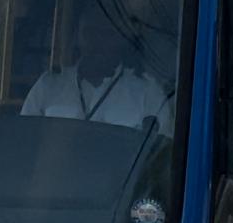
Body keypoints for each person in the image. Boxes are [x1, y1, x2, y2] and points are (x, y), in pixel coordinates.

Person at [21, 13, 174, 136]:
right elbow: (25, 140)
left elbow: (160, 158)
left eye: (107, 34)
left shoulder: (147, 93)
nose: (98, 41)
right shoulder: (48, 86)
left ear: (121, 39)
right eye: (90, 32)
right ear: (78, 37)